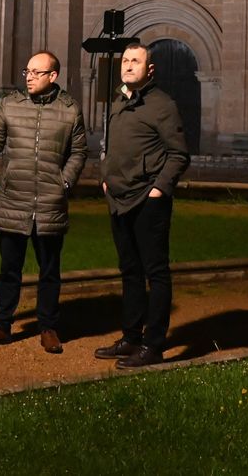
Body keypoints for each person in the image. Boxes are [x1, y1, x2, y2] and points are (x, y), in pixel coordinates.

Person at [0, 51, 88, 354]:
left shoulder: (70, 110)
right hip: (13, 201)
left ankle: (48, 327)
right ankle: (2, 326)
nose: (28, 77)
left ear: (52, 76)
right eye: (26, 71)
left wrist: (64, 182)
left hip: (50, 203)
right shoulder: (11, 104)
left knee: (49, 271)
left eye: (35, 72)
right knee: (9, 270)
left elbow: (79, 152)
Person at [94, 44, 189, 368]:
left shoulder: (163, 105)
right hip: (118, 199)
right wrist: (105, 177)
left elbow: (178, 154)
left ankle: (154, 345)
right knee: (130, 271)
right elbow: (110, 146)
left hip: (148, 201)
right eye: (125, 60)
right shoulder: (119, 101)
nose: (128, 65)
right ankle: (131, 338)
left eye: (136, 61)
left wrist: (159, 191)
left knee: (156, 273)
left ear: (150, 70)